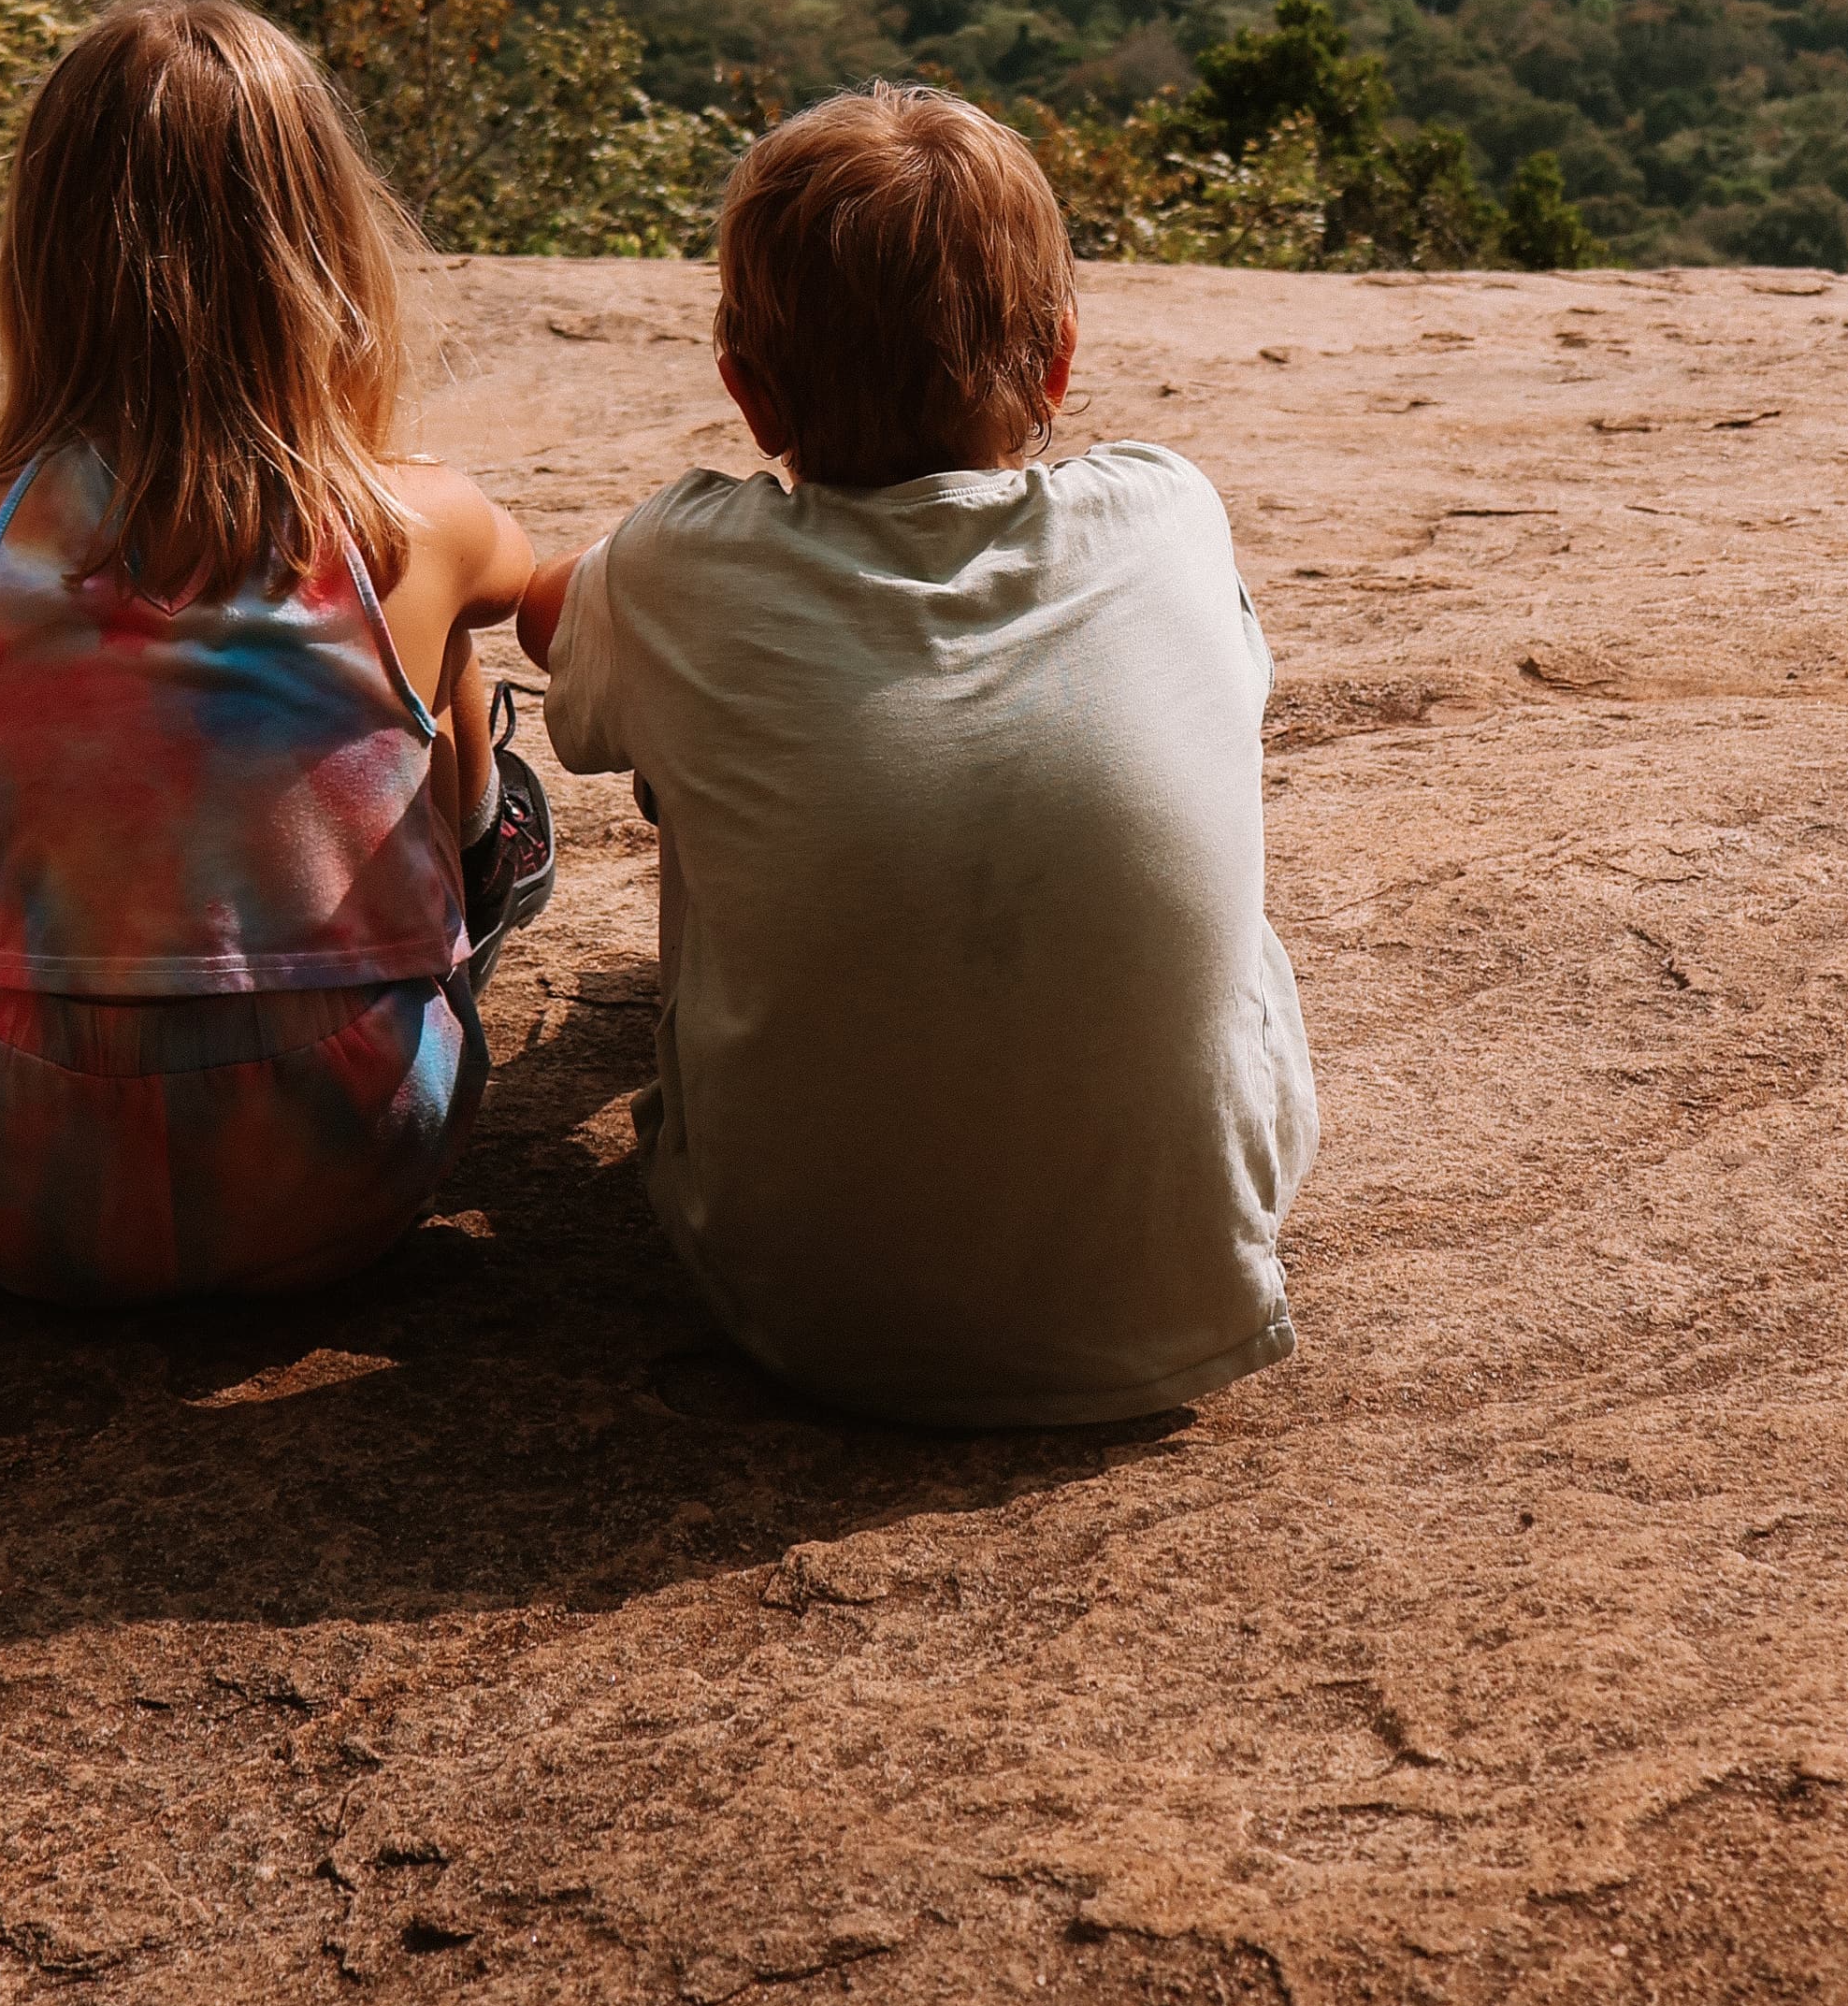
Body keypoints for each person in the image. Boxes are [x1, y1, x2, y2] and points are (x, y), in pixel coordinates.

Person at [516, 86, 1317, 1427]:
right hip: (1175, 1290)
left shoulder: (676, 570)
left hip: (797, 1308)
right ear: (1058, 363)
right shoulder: (1171, 511)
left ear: (748, 392)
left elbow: (553, 628)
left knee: (690, 750)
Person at [0, 0, 552, 1305]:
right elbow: (533, 588)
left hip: (0, 1175)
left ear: (43, 259)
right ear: (332, 251)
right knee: (462, 705)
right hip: (347, 1166)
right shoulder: (423, 523)